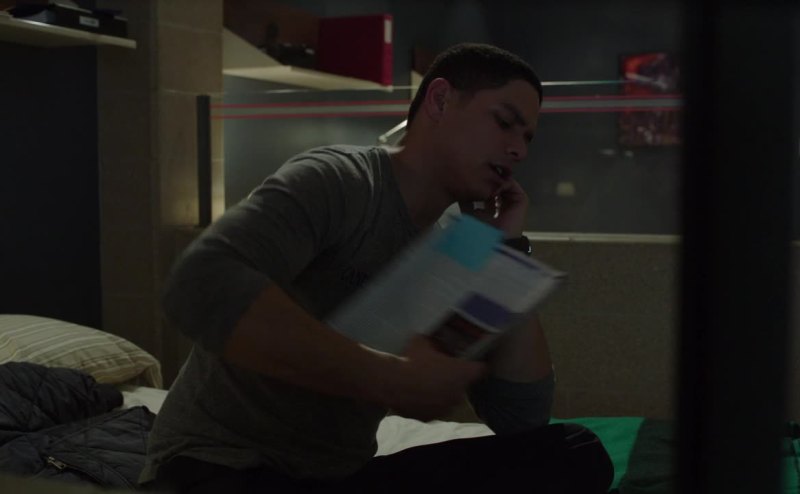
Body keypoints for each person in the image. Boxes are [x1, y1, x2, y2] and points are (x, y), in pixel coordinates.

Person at [140, 42, 613, 493]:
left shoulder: (460, 246)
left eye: (527, 137)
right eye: (505, 123)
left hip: (335, 479)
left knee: (576, 452)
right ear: (440, 100)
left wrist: (505, 250)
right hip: (221, 467)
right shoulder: (341, 181)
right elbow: (200, 281)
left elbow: (521, 417)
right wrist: (391, 378)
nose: (519, 150)